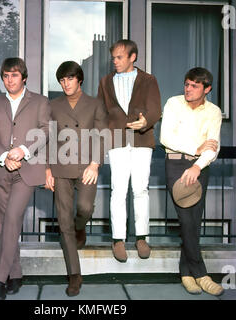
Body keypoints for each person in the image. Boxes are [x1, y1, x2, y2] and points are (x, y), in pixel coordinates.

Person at [0, 57, 51, 300]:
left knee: (11, 219)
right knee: (4, 226)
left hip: (27, 170)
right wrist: (4, 156)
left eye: (14, 75)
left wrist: (22, 151)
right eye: (5, 75)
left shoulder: (40, 102)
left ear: (24, 77)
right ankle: (16, 273)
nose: (9, 80)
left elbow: (45, 130)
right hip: (1, 169)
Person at [45, 61, 108, 296]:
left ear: (79, 79)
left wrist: (95, 164)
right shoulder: (53, 105)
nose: (65, 84)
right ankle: (74, 275)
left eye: (69, 79)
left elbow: (102, 136)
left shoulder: (95, 104)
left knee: (84, 208)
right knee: (63, 221)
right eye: (62, 80)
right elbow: (48, 138)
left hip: (86, 168)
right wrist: (47, 170)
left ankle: (81, 227)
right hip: (60, 168)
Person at [160, 67, 224, 296]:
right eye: (186, 84)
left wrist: (197, 164)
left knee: (193, 221)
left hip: (200, 167)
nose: (188, 89)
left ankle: (185, 273)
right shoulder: (173, 103)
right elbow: (166, 137)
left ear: (207, 89)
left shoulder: (214, 112)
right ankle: (201, 273)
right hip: (176, 164)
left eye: (194, 86)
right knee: (186, 219)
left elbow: (213, 146)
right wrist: (194, 148)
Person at [98, 39, 161, 262]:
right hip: (116, 142)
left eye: (119, 57)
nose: (114, 61)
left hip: (142, 141)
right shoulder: (105, 82)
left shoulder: (148, 80)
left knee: (141, 189)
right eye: (113, 57)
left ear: (133, 57)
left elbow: (155, 109)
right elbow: (101, 112)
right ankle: (118, 239)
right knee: (118, 190)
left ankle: (141, 237)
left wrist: (146, 122)